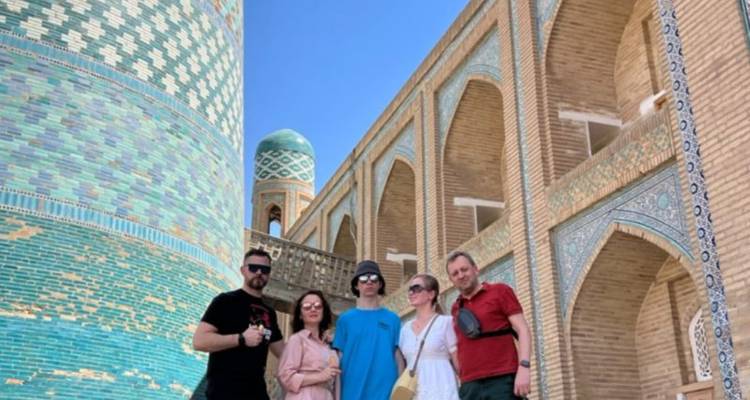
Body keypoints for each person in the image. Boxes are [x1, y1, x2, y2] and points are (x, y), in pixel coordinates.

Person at [193, 248, 284, 400]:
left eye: (265, 269)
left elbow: (285, 352)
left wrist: (319, 339)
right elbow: (199, 341)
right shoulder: (225, 301)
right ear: (243, 270)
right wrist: (241, 338)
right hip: (224, 393)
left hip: (257, 394)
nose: (259, 272)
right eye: (253, 268)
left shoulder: (269, 312)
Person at [446, 251, 532, 400]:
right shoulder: (456, 308)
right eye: (455, 273)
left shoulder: (500, 291)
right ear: (451, 280)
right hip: (469, 386)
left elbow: (522, 329)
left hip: (502, 379)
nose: (461, 275)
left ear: (475, 269)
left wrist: (524, 367)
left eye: (464, 269)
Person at [332, 260, 403, 400]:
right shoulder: (345, 320)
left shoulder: (393, 319)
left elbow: (398, 357)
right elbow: (338, 359)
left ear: (380, 284)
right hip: (352, 392)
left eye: (374, 278)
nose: (369, 282)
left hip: (386, 393)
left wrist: (400, 395)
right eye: (363, 278)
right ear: (356, 285)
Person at [398, 273, 460, 400]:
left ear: (431, 294)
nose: (411, 292)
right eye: (410, 289)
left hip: (443, 393)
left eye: (416, 288)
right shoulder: (405, 330)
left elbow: (458, 363)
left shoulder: (446, 322)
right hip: (415, 394)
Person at [277, 290, 341, 400]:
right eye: (307, 306)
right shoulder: (297, 340)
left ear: (324, 311)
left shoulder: (329, 346)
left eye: (318, 306)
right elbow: (285, 376)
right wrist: (320, 376)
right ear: (300, 315)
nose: (313, 309)